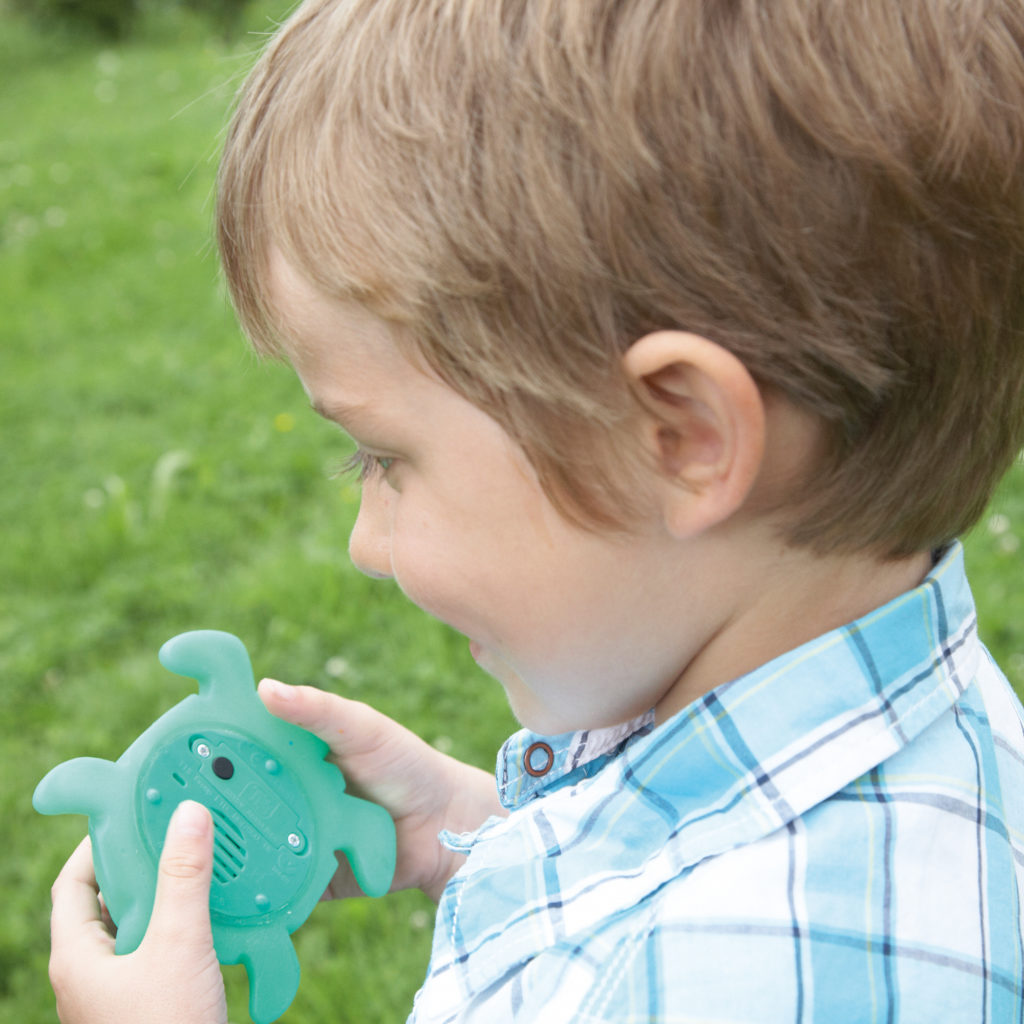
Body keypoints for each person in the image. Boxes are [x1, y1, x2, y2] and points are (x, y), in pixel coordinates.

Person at [46, 1, 1024, 1020]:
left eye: (386, 457)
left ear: (679, 439)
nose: (363, 544)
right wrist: (473, 833)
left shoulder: (745, 985)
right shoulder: (918, 732)